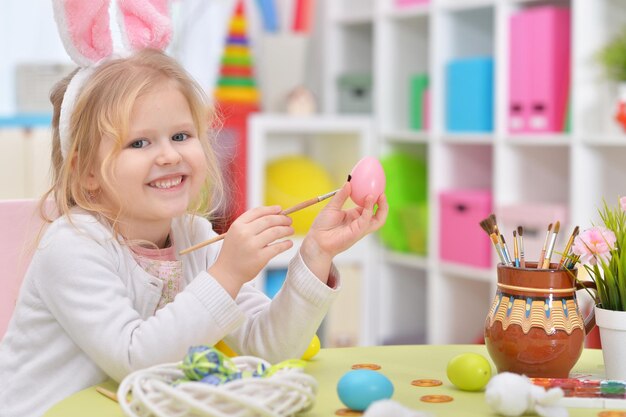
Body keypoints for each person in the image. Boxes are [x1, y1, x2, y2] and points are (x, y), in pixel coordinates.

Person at [0, 48, 388, 416]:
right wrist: (228, 274)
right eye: (139, 142)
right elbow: (134, 360)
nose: (170, 155)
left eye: (181, 136)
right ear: (87, 173)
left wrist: (316, 255)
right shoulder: (72, 247)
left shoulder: (194, 235)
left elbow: (267, 347)